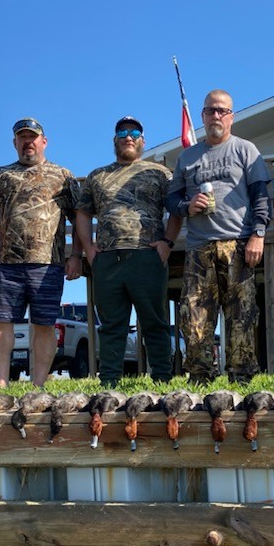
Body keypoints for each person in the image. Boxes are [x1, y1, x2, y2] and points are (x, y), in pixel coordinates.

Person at [166, 89, 271, 385]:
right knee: (194, 316)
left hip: (238, 244)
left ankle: (241, 380)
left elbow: (261, 196)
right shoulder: (187, 157)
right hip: (199, 248)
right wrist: (188, 206)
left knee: (242, 316)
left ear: (231, 117)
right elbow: (172, 201)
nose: (216, 116)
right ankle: (200, 378)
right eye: (211, 110)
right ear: (202, 115)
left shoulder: (246, 150)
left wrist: (258, 235)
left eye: (222, 111)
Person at [69, 116, 182, 386]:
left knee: (154, 322)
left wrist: (167, 242)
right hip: (107, 259)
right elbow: (82, 213)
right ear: (115, 140)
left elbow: (177, 208)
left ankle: (163, 381)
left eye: (134, 132)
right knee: (111, 326)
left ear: (143, 141)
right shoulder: (98, 176)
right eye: (122, 132)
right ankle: (109, 383)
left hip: (147, 257)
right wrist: (88, 249)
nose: (128, 136)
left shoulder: (159, 173)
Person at [0, 118, 80, 387]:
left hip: (48, 265)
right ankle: (1, 383)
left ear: (44, 141)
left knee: (43, 325)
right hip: (7, 264)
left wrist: (75, 255)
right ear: (15, 142)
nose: (27, 142)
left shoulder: (63, 176)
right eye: (22, 138)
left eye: (33, 137)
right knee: (1, 322)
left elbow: (78, 218)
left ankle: (38, 384)